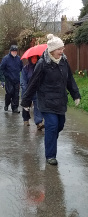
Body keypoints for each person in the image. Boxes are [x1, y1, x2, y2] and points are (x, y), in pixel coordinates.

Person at [21, 34, 81, 165]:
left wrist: (75, 94)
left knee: (59, 125)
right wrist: (26, 101)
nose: (62, 51)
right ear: (52, 50)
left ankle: (50, 138)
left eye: (62, 48)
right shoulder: (43, 64)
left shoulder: (64, 62)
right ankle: (50, 156)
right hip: (46, 100)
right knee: (52, 125)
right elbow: (33, 83)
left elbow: (69, 79)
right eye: (59, 49)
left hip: (60, 100)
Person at [20, 55, 44, 130]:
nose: (34, 59)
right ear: (30, 59)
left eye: (35, 58)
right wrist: (26, 90)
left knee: (37, 106)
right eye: (32, 58)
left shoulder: (40, 68)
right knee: (26, 105)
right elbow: (23, 81)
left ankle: (39, 122)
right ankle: (26, 119)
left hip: (36, 90)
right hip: (27, 90)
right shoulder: (25, 68)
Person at [0, 45, 23, 113]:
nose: (14, 52)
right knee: (9, 93)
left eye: (15, 51)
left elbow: (21, 67)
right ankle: (6, 104)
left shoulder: (19, 58)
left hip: (16, 79)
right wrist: (6, 75)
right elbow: (2, 68)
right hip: (9, 79)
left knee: (16, 94)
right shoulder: (6, 58)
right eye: (13, 51)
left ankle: (15, 108)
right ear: (10, 51)